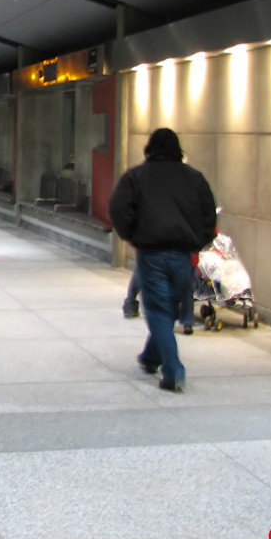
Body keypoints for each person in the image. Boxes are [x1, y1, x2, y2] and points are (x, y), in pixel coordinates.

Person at [108, 128, 216, 393]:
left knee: (157, 309)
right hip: (182, 255)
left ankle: (173, 369)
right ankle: (151, 357)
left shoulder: (136, 177)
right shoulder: (194, 178)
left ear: (149, 148)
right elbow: (208, 215)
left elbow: (118, 209)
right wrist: (196, 242)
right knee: (168, 308)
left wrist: (132, 236)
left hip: (152, 253)